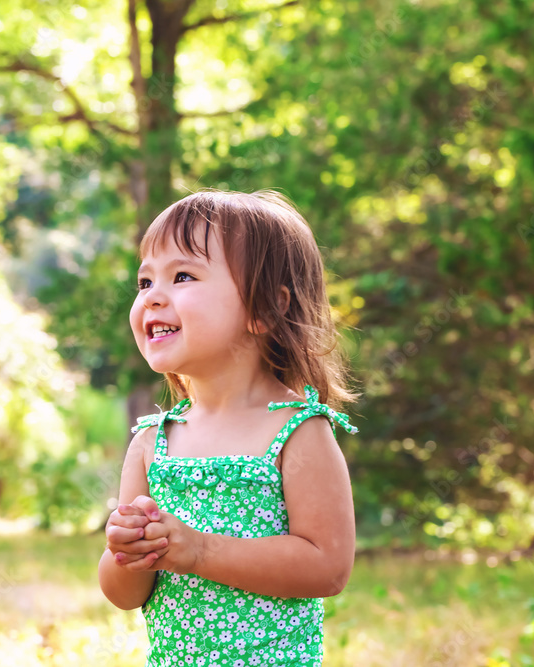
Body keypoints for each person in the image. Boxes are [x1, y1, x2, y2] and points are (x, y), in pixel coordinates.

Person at [97, 189, 361, 667]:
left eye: (181, 276)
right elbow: (126, 595)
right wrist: (125, 551)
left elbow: (327, 567)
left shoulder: (297, 433)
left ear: (265, 310)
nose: (153, 296)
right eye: (144, 282)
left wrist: (197, 551)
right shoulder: (153, 444)